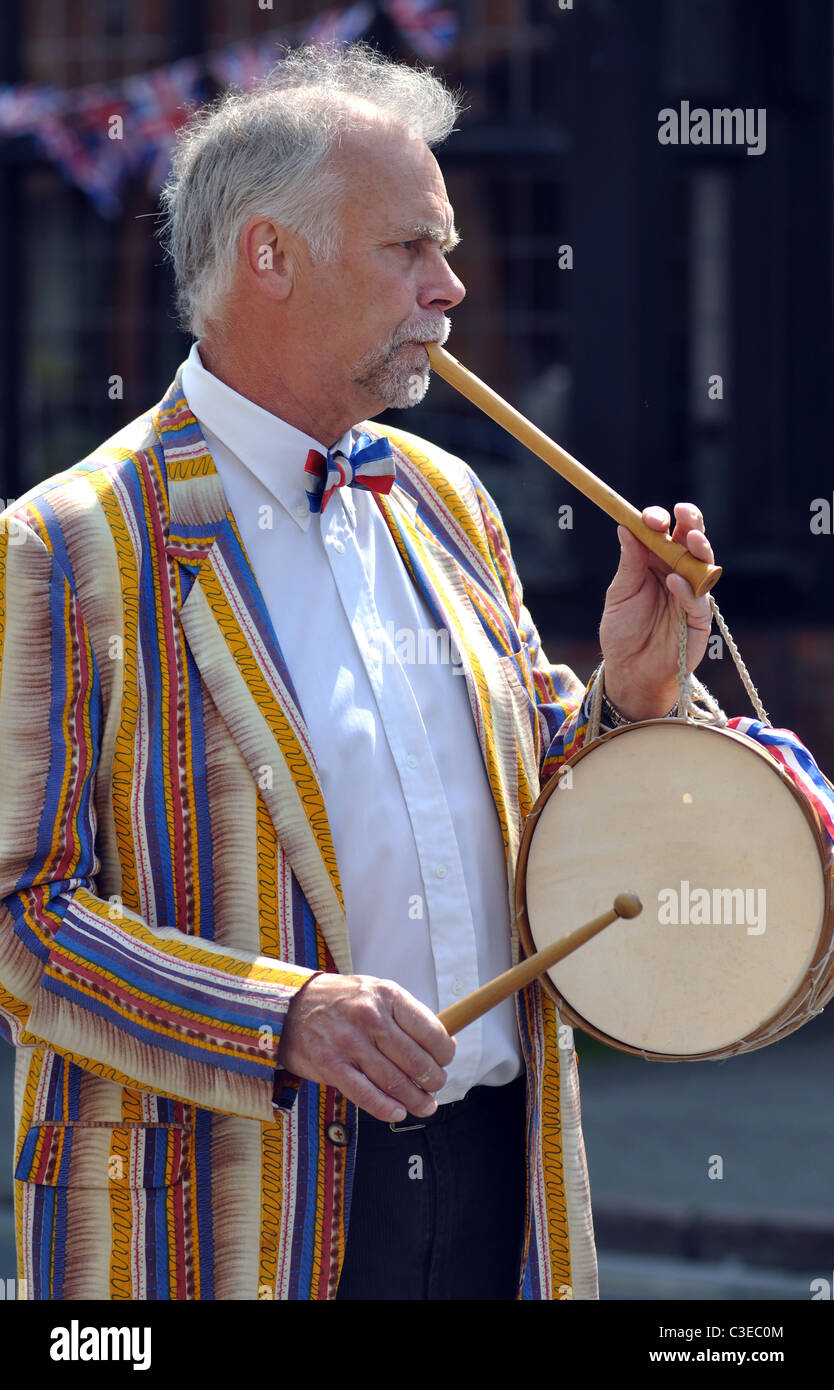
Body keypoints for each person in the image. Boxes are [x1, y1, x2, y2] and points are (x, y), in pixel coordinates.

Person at [0, 43, 831, 1303]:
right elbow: (20, 918)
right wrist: (283, 1017)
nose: (449, 286)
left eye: (444, 247)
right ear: (270, 258)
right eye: (409, 250)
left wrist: (632, 693)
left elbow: (541, 816)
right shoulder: (60, 544)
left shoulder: (446, 500)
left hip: (501, 1179)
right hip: (223, 1214)